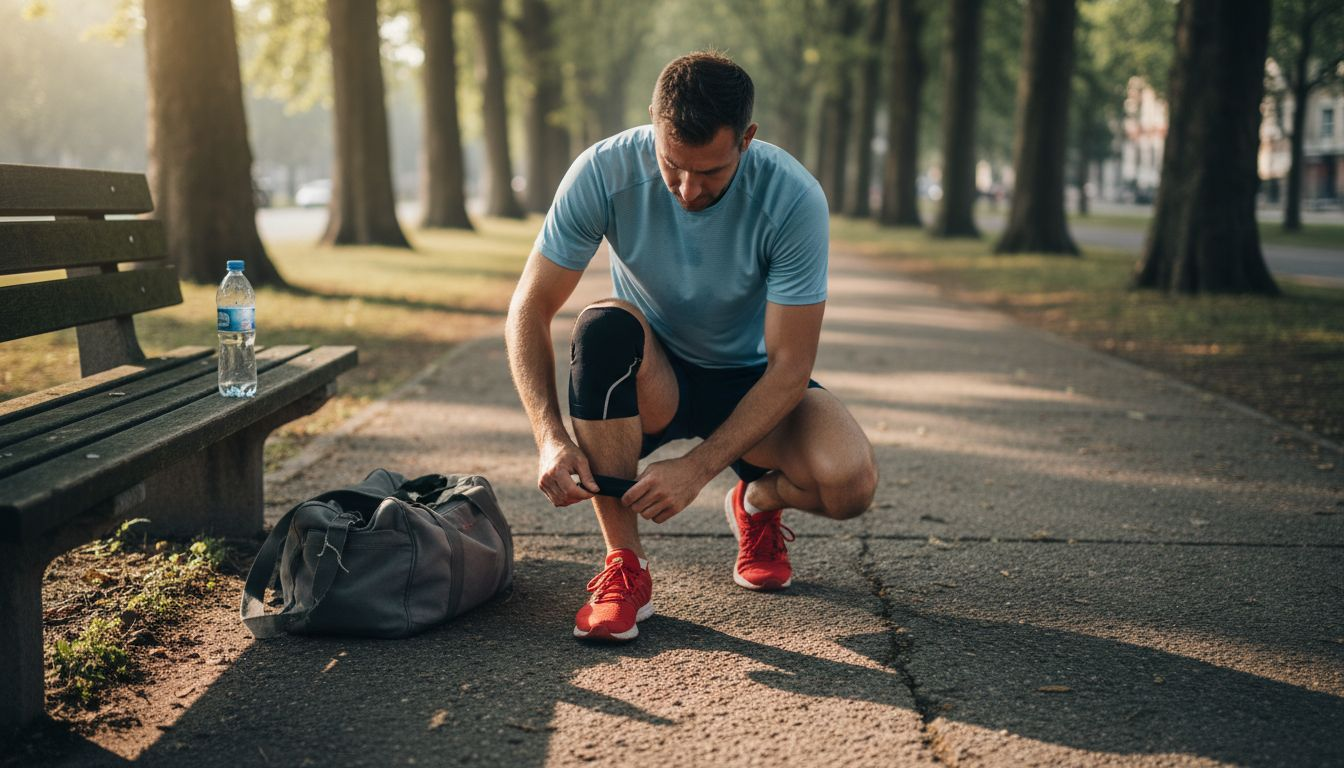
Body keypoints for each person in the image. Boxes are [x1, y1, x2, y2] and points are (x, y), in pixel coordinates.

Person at [505, 51, 877, 642]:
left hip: (751, 380)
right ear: (653, 122)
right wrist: (549, 436)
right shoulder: (602, 171)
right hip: (653, 375)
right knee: (601, 326)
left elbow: (790, 366)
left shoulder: (792, 197)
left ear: (747, 140)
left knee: (851, 484)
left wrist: (698, 469)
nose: (687, 189)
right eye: (673, 164)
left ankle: (755, 503)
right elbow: (529, 307)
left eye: (711, 173)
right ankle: (624, 568)